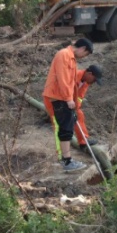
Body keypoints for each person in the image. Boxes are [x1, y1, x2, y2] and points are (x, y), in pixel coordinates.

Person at [43, 38, 93, 172]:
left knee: (67, 127)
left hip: (61, 97)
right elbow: (63, 78)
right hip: (58, 97)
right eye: (86, 54)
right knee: (64, 129)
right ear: (82, 48)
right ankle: (66, 161)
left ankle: (67, 159)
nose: (84, 57)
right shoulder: (64, 55)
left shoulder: (70, 58)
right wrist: (68, 98)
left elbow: (71, 83)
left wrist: (73, 101)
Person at [75, 64, 103, 150]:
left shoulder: (86, 83)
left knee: (79, 114)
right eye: (94, 79)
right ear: (89, 74)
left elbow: (80, 97)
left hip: (70, 102)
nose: (94, 82)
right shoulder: (75, 76)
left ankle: (83, 142)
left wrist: (76, 106)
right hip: (60, 99)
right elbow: (66, 90)